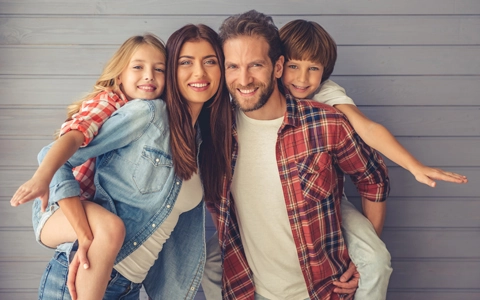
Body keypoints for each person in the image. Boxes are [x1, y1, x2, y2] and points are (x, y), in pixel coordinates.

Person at [16, 24, 232, 300]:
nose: (199, 72)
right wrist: (83, 235)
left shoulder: (203, 140)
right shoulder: (148, 113)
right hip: (85, 274)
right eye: (186, 62)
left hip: (128, 288)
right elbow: (55, 155)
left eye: (210, 61)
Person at [277, 19, 469, 299]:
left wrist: (414, 166)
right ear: (279, 64)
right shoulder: (264, 94)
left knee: (377, 260)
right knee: (213, 263)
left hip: (325, 198)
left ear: (324, 72)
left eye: (313, 69)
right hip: (274, 197)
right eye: (294, 66)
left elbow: (366, 128)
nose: (302, 79)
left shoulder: (326, 93)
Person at [207, 10, 390, 300]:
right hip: (249, 291)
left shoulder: (327, 123)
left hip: (324, 292)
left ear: (277, 67)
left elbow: (374, 179)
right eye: (233, 66)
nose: (244, 79)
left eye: (255, 65)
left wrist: (363, 256)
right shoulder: (215, 131)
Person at [10, 34, 167, 299]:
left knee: (110, 228)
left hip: (86, 209)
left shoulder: (146, 115)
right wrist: (43, 176)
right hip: (57, 205)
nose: (149, 75)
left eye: (159, 69)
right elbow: (73, 136)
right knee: (110, 228)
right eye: (138, 67)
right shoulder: (109, 102)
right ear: (119, 76)